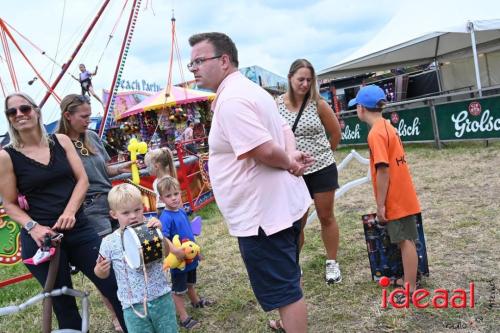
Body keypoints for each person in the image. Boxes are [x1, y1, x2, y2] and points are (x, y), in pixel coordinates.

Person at [188, 32, 313, 333]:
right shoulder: (250, 90)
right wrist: (291, 153)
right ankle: (285, 323)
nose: (193, 68)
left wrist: (289, 160)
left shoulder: (232, 100)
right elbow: (282, 128)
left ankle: (290, 323)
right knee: (287, 277)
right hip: (278, 208)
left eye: (199, 61)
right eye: (191, 63)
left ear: (224, 60)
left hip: (264, 216)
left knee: (285, 291)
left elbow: (263, 150)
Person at [0, 92, 126, 331]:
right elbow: (9, 204)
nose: (19, 115)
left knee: (113, 286)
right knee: (64, 304)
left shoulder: (61, 141)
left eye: (24, 109)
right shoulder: (7, 157)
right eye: (12, 112)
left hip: (79, 228)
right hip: (43, 240)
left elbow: (82, 181)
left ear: (36, 111)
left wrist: (70, 211)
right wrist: (33, 227)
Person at [57, 93, 132, 331]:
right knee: (104, 265)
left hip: (111, 204)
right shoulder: (59, 144)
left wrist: (125, 168)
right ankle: (115, 315)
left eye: (90, 115)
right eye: (84, 116)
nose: (89, 120)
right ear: (68, 116)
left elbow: (104, 170)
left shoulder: (91, 137)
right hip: (89, 210)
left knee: (125, 256)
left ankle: (129, 307)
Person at [350, 85, 420, 300]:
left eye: (356, 107)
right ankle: (408, 279)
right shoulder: (388, 126)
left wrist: (380, 204)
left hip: (395, 196)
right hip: (403, 192)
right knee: (404, 238)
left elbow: (383, 169)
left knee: (404, 240)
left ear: (361, 108)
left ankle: (409, 286)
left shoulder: (376, 134)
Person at [277, 59, 342, 284]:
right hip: (294, 173)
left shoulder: (318, 104)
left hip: (322, 168)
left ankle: (332, 263)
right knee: (297, 222)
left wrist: (323, 156)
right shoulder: (276, 105)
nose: (305, 84)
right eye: (300, 79)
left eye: (308, 80)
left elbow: (335, 133)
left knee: (326, 216)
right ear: (290, 78)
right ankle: (294, 263)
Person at [94, 183, 178, 333]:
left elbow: (165, 252)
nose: (133, 216)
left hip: (161, 297)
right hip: (132, 306)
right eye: (125, 213)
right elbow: (101, 273)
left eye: (137, 210)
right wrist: (100, 270)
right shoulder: (109, 241)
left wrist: (160, 234)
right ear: (114, 214)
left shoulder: (150, 228)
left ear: (143, 207)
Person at [157, 176, 213, 330]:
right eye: (168, 196)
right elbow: (163, 236)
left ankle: (196, 301)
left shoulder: (181, 211)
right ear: (161, 198)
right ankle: (183, 317)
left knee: (190, 282)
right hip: (179, 261)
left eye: (176, 194)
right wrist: (174, 250)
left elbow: (189, 233)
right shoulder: (166, 217)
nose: (174, 198)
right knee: (178, 290)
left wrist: (197, 251)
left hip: (190, 258)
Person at [144, 147, 178, 216]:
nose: (147, 169)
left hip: (168, 214)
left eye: (148, 166)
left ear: (156, 166)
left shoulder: (167, 182)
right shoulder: (156, 181)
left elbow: (176, 202)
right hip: (162, 212)